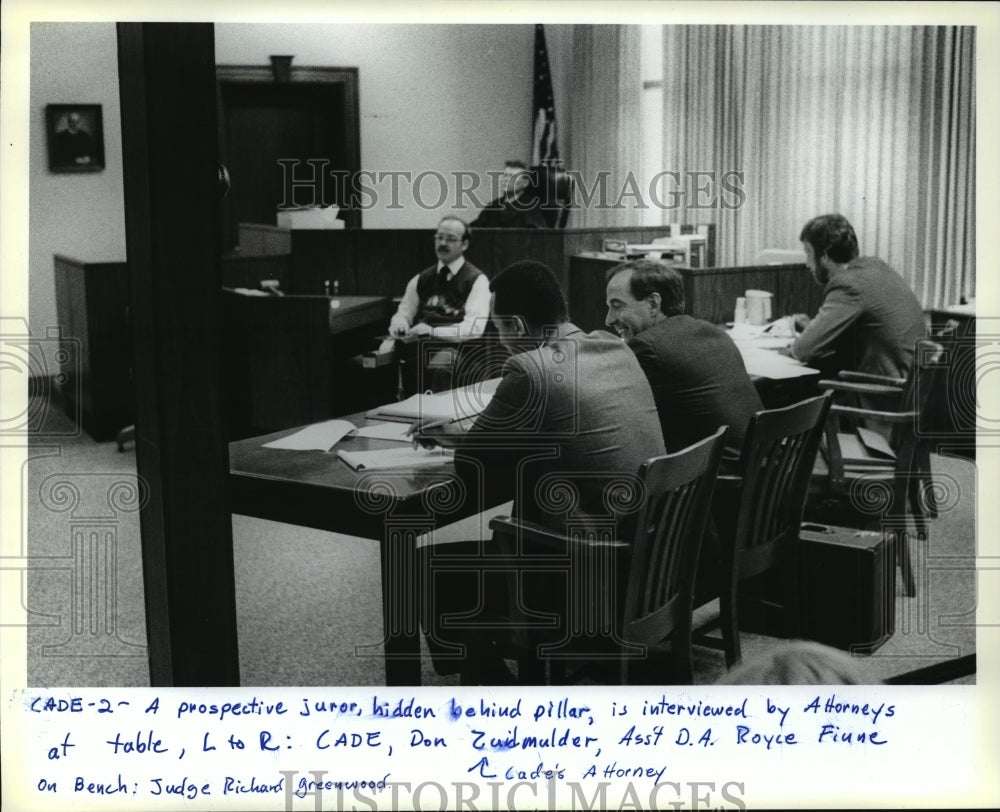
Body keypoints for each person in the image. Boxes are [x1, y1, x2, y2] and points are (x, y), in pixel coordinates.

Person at [413, 260, 666, 682]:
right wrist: (465, 435)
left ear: (514, 324)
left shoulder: (528, 369)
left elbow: (473, 468)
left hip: (588, 576)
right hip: (650, 562)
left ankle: (491, 682)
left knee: (426, 565)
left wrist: (472, 441)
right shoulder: (614, 347)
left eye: (498, 326)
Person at [604, 259, 763, 463]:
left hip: (716, 484)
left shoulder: (647, 347)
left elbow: (612, 412)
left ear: (653, 304)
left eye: (617, 306)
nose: (608, 319)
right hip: (762, 469)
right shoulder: (712, 331)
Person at [789, 214, 926, 381]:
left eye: (809, 253)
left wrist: (806, 338)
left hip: (889, 396)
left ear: (824, 256)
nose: (807, 263)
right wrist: (814, 328)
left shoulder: (848, 285)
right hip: (915, 388)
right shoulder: (875, 266)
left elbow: (803, 350)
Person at [386, 216, 491, 392]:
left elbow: (474, 328)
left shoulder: (477, 280)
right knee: (375, 362)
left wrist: (433, 331)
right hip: (419, 346)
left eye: (450, 239)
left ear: (464, 244)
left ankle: (437, 417)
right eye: (439, 237)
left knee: (439, 366)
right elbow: (403, 313)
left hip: (459, 350)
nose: (443, 243)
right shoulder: (422, 279)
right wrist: (400, 324)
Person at [470, 160, 548, 229]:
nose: (506, 179)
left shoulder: (530, 207)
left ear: (525, 183)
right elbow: (475, 228)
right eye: (505, 175)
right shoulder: (493, 205)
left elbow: (539, 237)